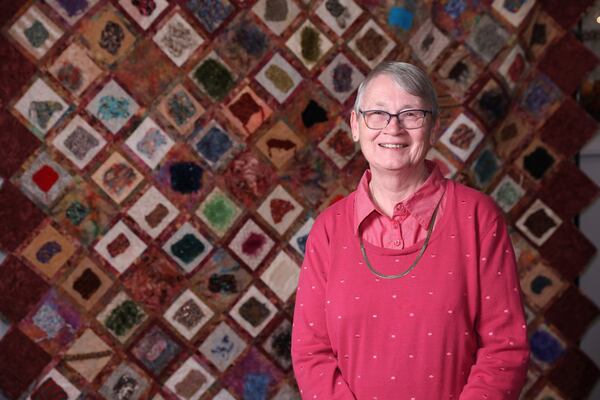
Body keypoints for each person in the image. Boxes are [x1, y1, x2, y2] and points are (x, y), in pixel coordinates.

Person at [291, 61, 529, 399]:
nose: (393, 129)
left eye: (411, 114)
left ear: (433, 129)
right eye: (377, 113)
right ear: (355, 125)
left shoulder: (478, 217)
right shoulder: (328, 229)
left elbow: (505, 350)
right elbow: (310, 352)